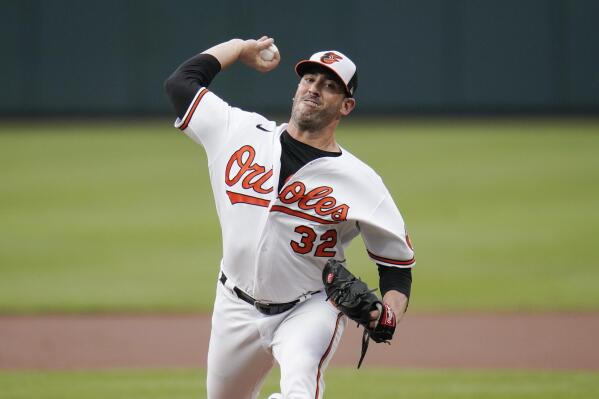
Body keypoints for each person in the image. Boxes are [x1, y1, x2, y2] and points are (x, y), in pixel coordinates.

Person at [164, 36, 415, 399]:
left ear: (346, 106)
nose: (315, 89)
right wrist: (238, 46)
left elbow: (396, 266)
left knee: (300, 391)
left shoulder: (362, 182)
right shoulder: (239, 131)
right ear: (298, 87)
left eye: (329, 86)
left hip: (309, 307)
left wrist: (389, 313)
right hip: (234, 304)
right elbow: (180, 84)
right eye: (309, 79)